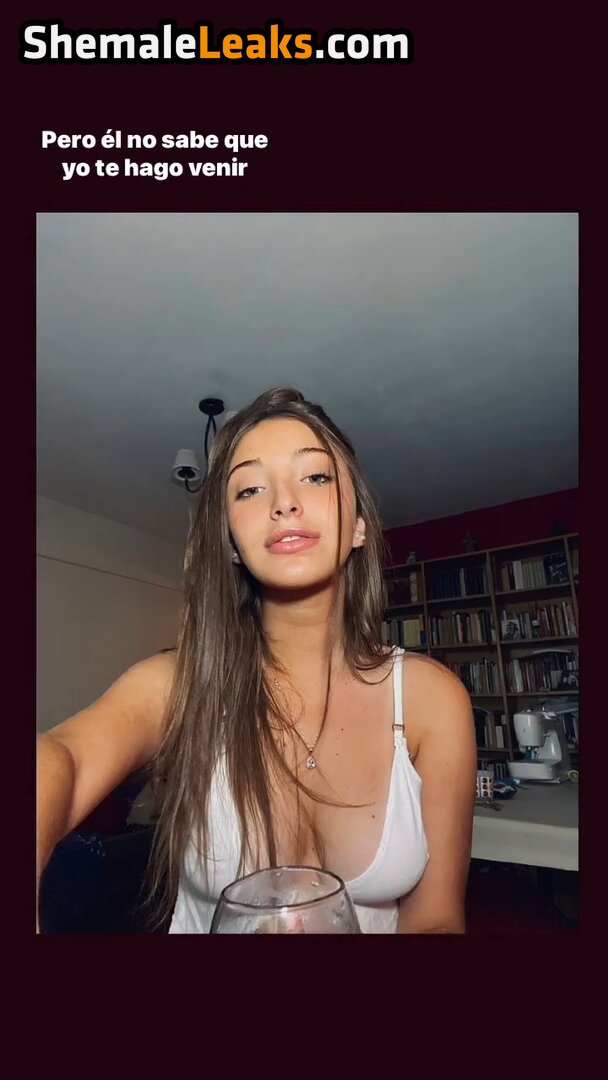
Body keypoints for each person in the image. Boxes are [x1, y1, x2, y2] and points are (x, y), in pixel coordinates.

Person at [37, 387, 477, 934]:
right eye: (249, 488)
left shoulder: (432, 700)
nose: (284, 503)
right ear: (230, 542)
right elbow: (63, 757)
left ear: (359, 524)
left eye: (315, 477)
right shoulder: (178, 685)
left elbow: (436, 919)